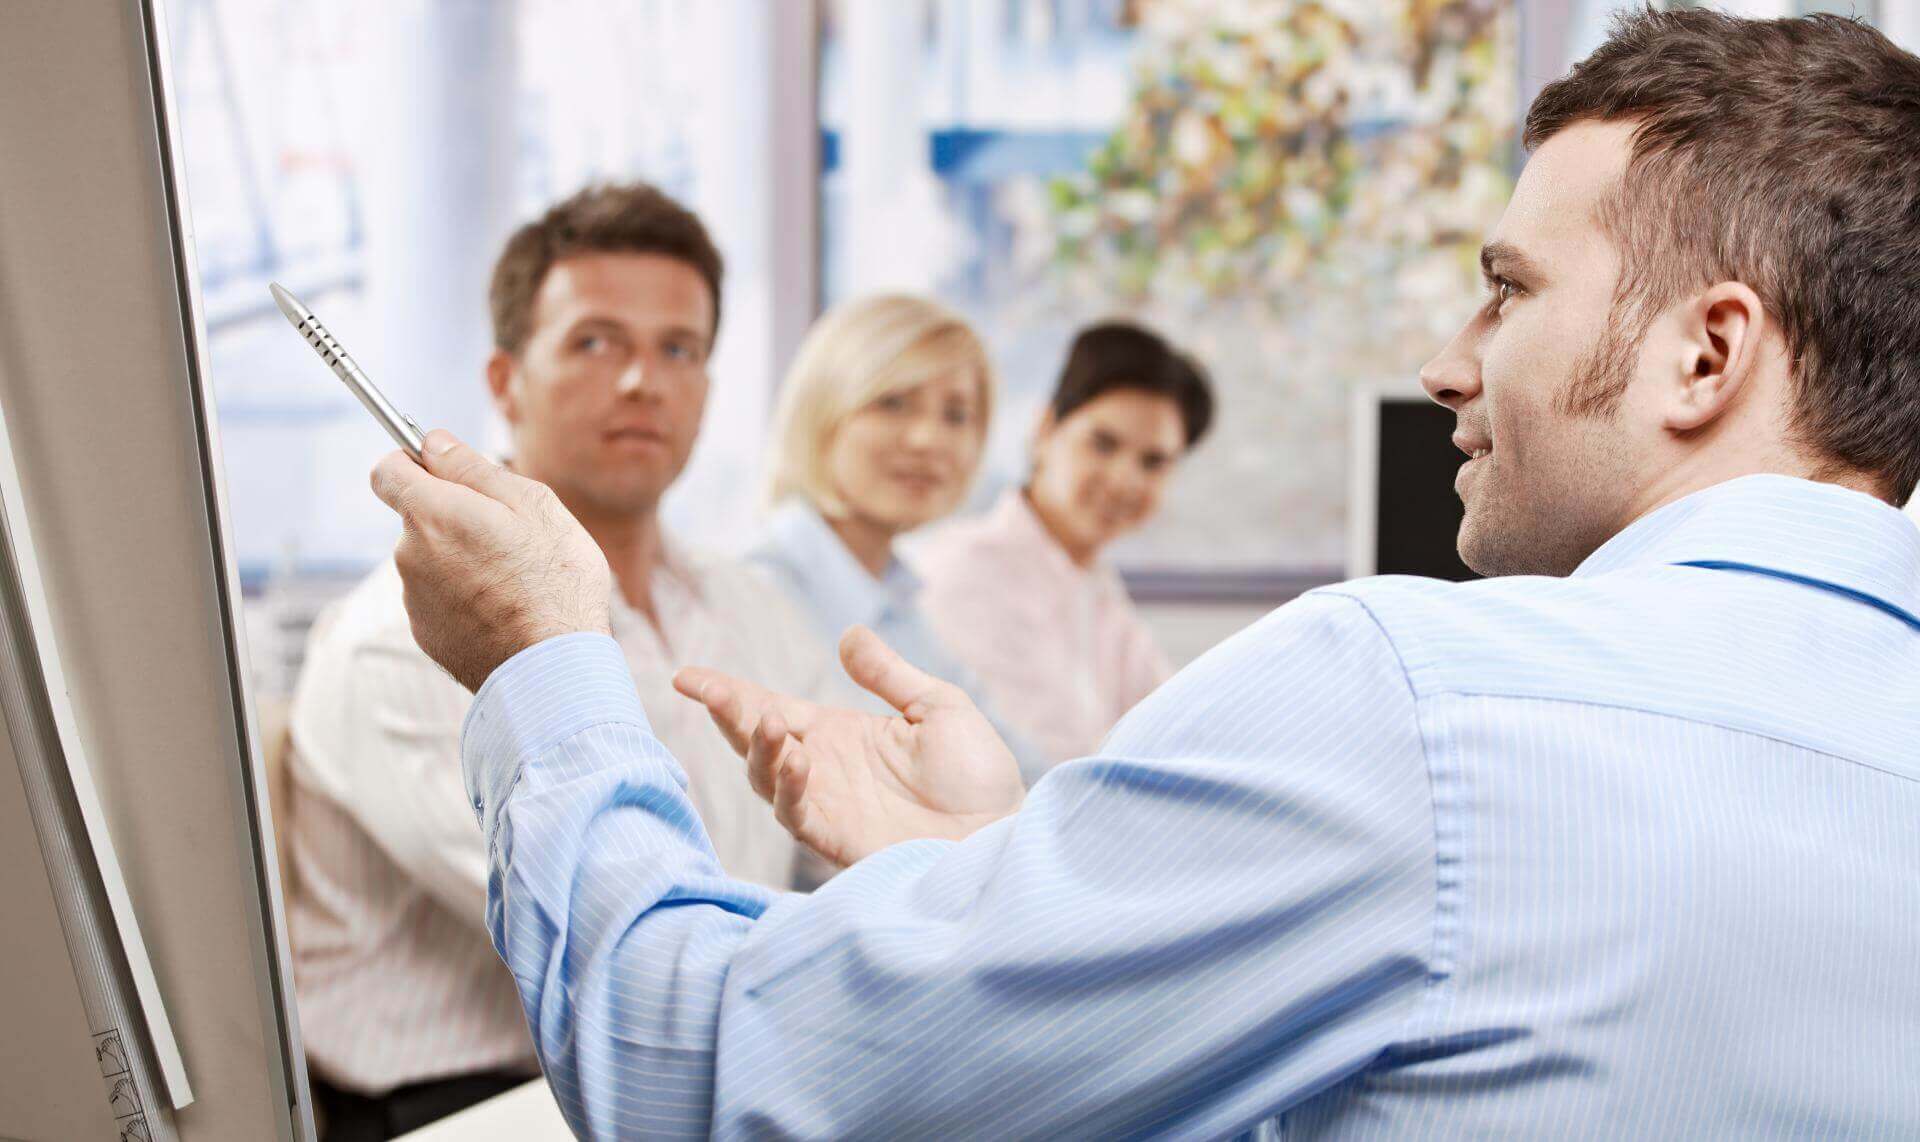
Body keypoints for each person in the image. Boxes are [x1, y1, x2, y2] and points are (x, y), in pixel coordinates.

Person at [371, 11, 1920, 1139]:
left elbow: (705, 1066)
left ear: (1706, 353)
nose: (1449, 365)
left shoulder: (1422, 707)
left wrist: (536, 655)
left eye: (1507, 292)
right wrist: (994, 872)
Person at [284, 182, 842, 1137]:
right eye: (595, 342)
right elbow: (610, 933)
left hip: (707, 1055)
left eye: (679, 349)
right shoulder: (407, 636)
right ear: (506, 382)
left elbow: (832, 854)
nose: (643, 382)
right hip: (463, 1108)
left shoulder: (756, 611)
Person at [747, 293, 1045, 780]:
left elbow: (1015, 766)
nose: (928, 440)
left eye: (956, 415)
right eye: (893, 404)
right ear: (823, 410)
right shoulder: (757, 594)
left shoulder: (903, 606)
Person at [918, 320, 1212, 765]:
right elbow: (1044, 772)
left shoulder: (1097, 590)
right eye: (1103, 444)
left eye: (1153, 462)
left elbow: (1178, 727)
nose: (1125, 480)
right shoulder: (971, 573)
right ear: (1044, 430)